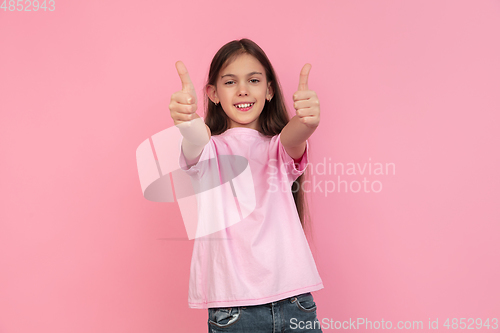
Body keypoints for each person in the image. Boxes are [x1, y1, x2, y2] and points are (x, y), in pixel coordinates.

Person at [169, 38, 324, 332]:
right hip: (234, 310)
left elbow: (295, 135)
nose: (242, 90)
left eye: (253, 80)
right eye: (230, 82)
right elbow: (196, 141)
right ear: (212, 93)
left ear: (268, 91)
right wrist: (188, 122)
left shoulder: (278, 149)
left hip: (295, 303)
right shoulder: (209, 151)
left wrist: (308, 121)